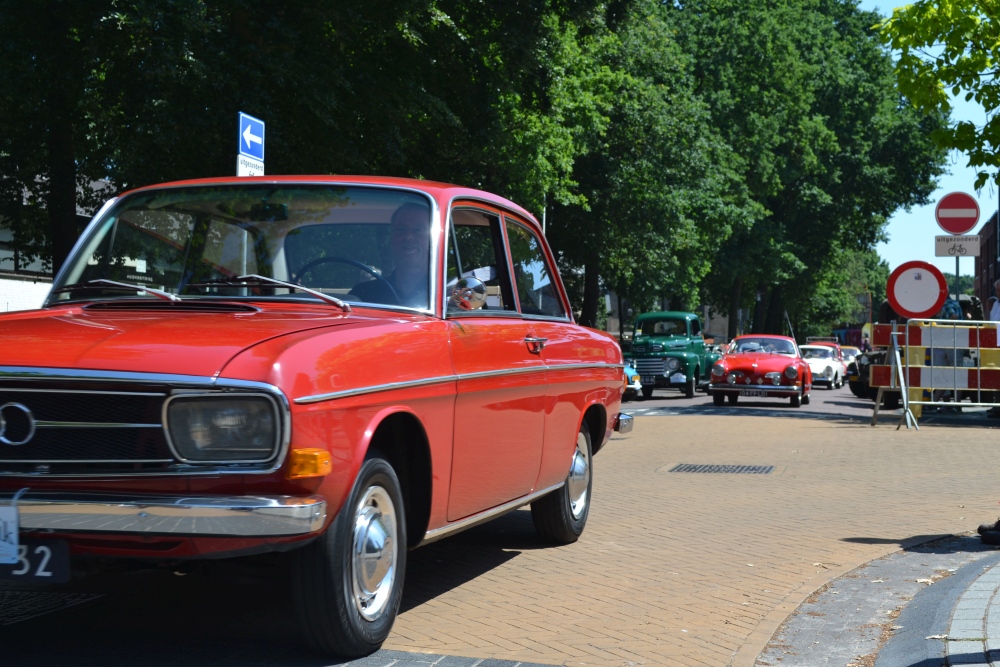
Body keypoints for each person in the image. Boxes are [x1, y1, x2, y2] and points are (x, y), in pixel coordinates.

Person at [348, 203, 430, 308]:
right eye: (401, 229)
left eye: (418, 230)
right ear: (391, 238)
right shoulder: (363, 295)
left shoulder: (447, 294)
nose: (408, 236)